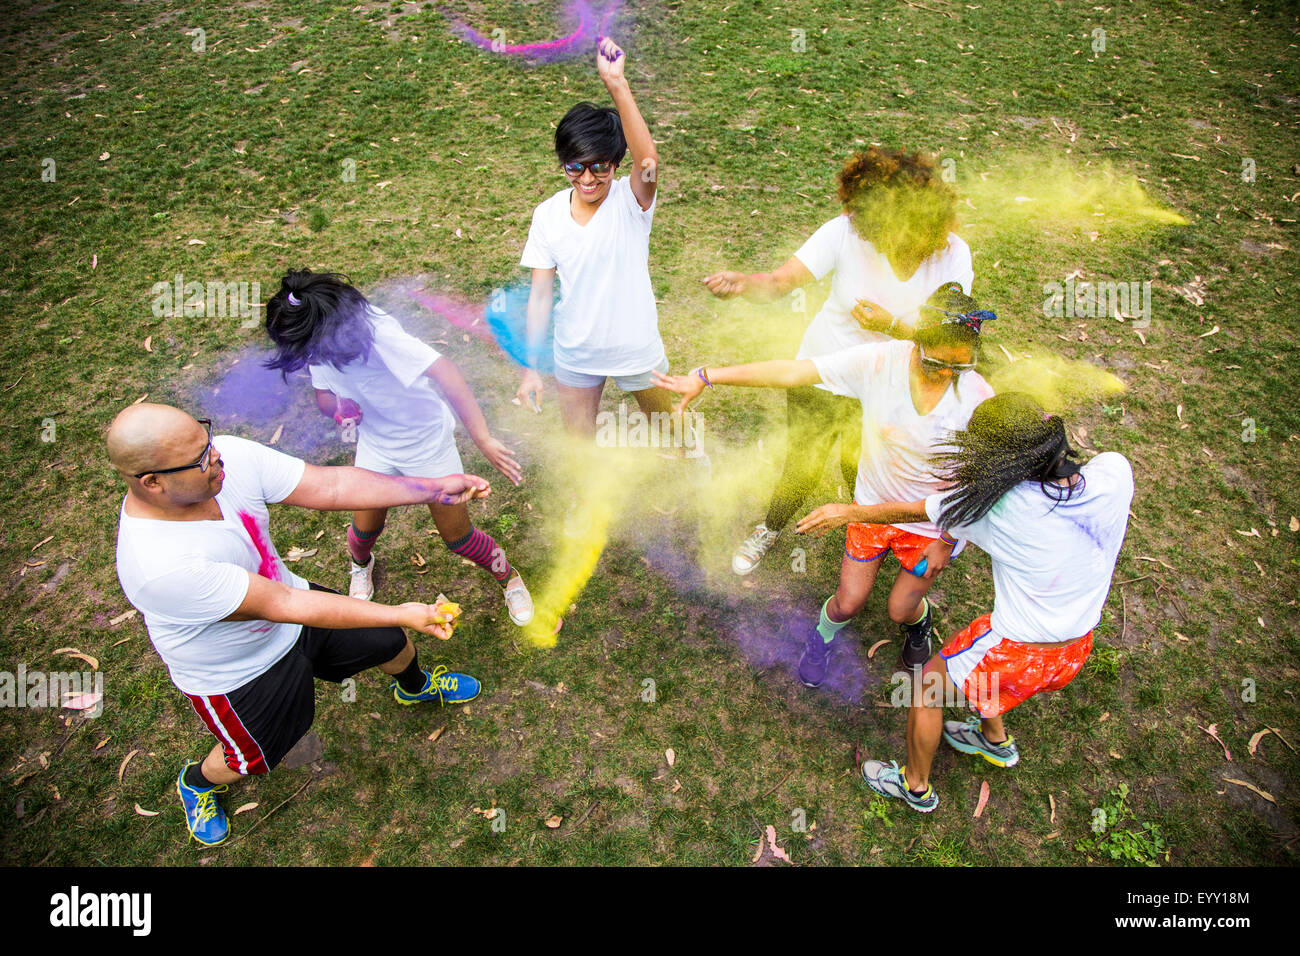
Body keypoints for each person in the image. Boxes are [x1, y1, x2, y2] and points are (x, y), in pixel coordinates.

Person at [110, 403, 490, 846]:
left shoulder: (224, 461)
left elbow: (329, 486)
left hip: (292, 608)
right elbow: (287, 603)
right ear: (152, 482)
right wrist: (406, 611)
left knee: (389, 640)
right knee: (252, 758)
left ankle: (414, 685)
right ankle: (197, 782)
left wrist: (431, 488)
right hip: (239, 669)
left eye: (207, 439)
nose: (216, 456)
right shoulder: (160, 565)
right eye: (199, 458)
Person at [796, 393, 1134, 812]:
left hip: (1015, 648)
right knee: (979, 669)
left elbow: (909, 509)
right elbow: (956, 516)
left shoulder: (994, 509)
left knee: (928, 687)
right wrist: (947, 540)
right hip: (1075, 647)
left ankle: (914, 785)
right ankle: (995, 741)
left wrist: (848, 513)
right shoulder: (1116, 474)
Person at [653, 286, 995, 674]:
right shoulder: (881, 363)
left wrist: (947, 541)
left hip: (932, 525)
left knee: (900, 609)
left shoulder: (979, 398)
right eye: (936, 364)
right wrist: (707, 376)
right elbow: (795, 371)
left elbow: (978, 483)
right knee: (847, 603)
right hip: (869, 508)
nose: (948, 375)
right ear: (917, 343)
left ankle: (919, 622)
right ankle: (823, 634)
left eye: (961, 366)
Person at [701, 147, 973, 575]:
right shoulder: (846, 233)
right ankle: (770, 528)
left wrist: (894, 329)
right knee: (803, 463)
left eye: (905, 230)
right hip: (822, 372)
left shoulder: (952, 255)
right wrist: (744, 283)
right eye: (882, 230)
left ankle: (864, 536)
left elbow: (953, 337)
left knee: (862, 468)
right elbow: (778, 282)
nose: (891, 242)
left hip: (889, 385)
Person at [263, 268, 534, 626]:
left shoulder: (378, 333)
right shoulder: (316, 343)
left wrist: (482, 438)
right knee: (365, 530)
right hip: (377, 446)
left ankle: (508, 577)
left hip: (426, 444)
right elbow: (324, 394)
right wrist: (337, 409)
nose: (308, 357)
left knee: (458, 538)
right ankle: (361, 565)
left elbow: (447, 371)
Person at [514, 36, 678, 445]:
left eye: (599, 168)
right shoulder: (548, 215)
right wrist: (530, 366)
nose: (587, 179)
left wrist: (617, 85)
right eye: (575, 167)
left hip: (636, 349)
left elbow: (649, 162)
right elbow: (539, 297)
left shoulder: (632, 200)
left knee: (671, 434)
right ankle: (584, 506)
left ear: (616, 164)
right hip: (576, 354)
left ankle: (696, 474)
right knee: (579, 449)